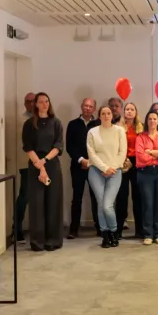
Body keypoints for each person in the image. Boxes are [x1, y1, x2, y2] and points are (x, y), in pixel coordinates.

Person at [23, 92, 65, 251]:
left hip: (52, 164)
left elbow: (59, 145)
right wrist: (40, 166)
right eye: (40, 102)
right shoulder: (29, 124)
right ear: (35, 104)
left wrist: (45, 162)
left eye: (46, 101)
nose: (44, 104)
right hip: (35, 165)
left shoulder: (56, 123)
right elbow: (27, 147)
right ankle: (37, 241)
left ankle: (53, 240)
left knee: (53, 202)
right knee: (37, 203)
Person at [87, 105, 126, 248]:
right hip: (96, 171)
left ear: (112, 115)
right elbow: (91, 153)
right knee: (100, 202)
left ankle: (114, 231)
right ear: (99, 116)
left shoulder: (120, 131)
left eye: (108, 113)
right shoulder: (92, 132)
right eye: (103, 113)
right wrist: (103, 168)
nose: (106, 115)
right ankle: (105, 235)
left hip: (115, 172)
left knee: (107, 205)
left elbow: (122, 152)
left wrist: (111, 168)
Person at [135, 109, 158, 245]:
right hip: (145, 174)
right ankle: (148, 234)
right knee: (148, 204)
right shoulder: (141, 137)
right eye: (150, 118)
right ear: (146, 121)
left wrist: (150, 152)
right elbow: (140, 157)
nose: (152, 121)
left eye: (155, 119)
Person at [65, 98, 100, 239]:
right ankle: (74, 230)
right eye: (85, 105)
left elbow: (101, 146)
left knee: (96, 198)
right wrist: (81, 160)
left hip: (95, 167)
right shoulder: (73, 124)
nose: (87, 108)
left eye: (90, 106)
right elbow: (69, 146)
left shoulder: (98, 124)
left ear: (94, 109)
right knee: (77, 198)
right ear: (81, 107)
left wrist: (91, 161)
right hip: (77, 166)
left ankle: (100, 228)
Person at [115, 101, 144, 240]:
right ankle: (118, 230)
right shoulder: (117, 128)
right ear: (123, 112)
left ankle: (140, 230)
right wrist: (123, 159)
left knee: (138, 197)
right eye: (127, 109)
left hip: (137, 164)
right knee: (121, 197)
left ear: (136, 112)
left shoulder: (141, 128)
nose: (129, 112)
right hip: (122, 163)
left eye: (132, 109)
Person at [13, 90, 37, 242]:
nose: (32, 104)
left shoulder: (44, 118)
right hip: (27, 163)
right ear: (25, 104)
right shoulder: (21, 120)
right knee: (25, 196)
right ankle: (16, 228)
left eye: (34, 101)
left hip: (44, 162)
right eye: (28, 101)